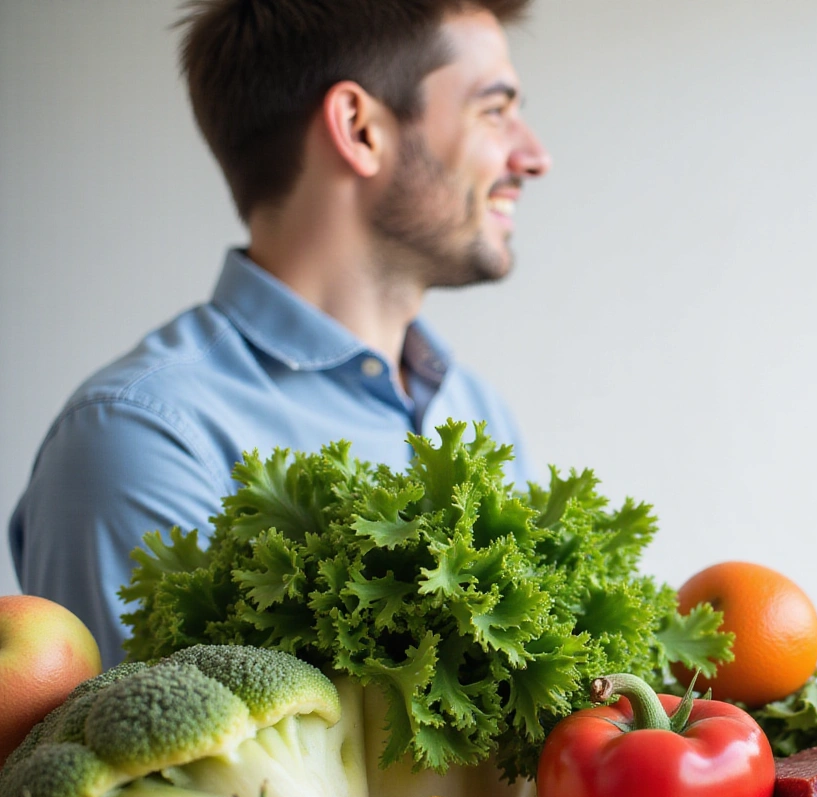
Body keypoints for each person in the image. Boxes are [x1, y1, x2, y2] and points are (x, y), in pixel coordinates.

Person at [9, 0, 551, 664]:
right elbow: (165, 762)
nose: (534, 156)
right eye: (494, 111)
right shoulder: (141, 439)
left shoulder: (474, 410)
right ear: (359, 129)